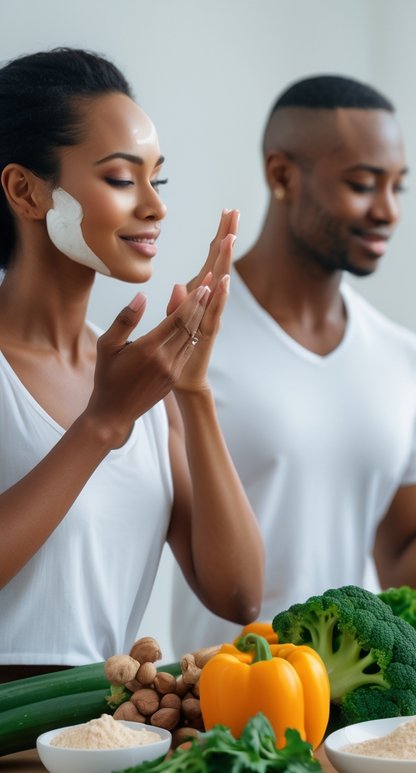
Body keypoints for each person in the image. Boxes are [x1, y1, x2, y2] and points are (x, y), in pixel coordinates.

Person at [168, 75, 416, 658]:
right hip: (220, 711)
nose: (387, 211)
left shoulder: (406, 363)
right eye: (362, 185)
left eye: (397, 187)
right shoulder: (188, 347)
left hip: (358, 719)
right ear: (281, 175)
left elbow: (413, 575)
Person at [0, 48, 263, 680]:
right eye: (122, 178)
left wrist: (193, 393)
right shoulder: (120, 397)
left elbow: (238, 597)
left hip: (100, 747)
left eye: (157, 179)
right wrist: (100, 426)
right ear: (26, 191)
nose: (155, 205)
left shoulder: (141, 381)